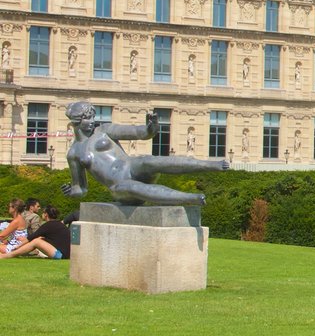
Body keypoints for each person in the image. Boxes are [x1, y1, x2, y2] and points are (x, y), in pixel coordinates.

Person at [61, 101, 229, 206]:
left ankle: (211, 164)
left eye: (92, 117)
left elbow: (138, 132)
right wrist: (71, 191)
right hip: (119, 187)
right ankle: (189, 198)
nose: (92, 122)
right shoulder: (74, 154)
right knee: (130, 186)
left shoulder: (104, 130)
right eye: (87, 119)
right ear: (76, 122)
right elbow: (81, 189)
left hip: (131, 168)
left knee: (148, 161)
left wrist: (150, 129)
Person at [0, 205, 70, 260]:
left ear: (46, 214)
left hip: (61, 255)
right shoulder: (59, 224)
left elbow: (31, 238)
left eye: (43, 212)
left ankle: (8, 255)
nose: (42, 214)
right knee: (39, 239)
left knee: (36, 241)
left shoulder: (48, 225)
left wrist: (17, 247)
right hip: (66, 254)